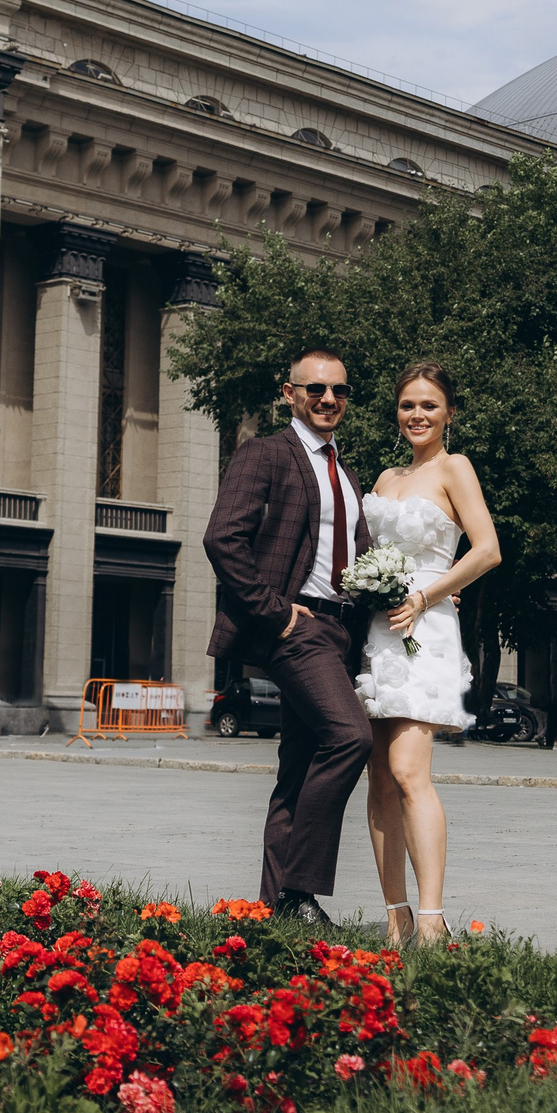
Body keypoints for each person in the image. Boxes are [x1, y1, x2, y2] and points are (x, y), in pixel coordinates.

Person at [202, 346, 373, 925]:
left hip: (340, 628)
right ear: (290, 393)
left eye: (340, 391)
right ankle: (302, 893)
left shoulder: (346, 472)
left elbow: (360, 557)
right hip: (296, 627)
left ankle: (273, 908)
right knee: (351, 736)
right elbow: (223, 538)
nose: (328, 399)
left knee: (298, 768)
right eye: (316, 389)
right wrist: (274, 613)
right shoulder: (266, 455)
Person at [355, 362, 501, 947]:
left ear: (449, 414)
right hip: (378, 628)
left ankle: (434, 919)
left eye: (429, 406)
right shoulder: (386, 478)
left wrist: (426, 594)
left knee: (410, 771)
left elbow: (487, 549)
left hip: (425, 624)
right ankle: (396, 916)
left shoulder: (454, 468)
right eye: (408, 405)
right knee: (378, 778)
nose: (417, 415)